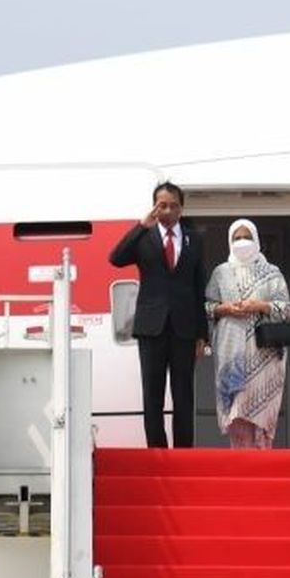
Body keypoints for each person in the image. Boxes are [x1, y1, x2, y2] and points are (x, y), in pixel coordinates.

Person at [108, 181, 208, 448]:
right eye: (162, 205)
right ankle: (156, 451)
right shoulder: (144, 238)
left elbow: (200, 287)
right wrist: (142, 225)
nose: (168, 210)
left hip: (184, 328)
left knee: (183, 393)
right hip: (151, 326)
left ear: (181, 209)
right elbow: (115, 258)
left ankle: (184, 452)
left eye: (173, 206)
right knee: (152, 393)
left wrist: (202, 334)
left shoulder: (193, 238)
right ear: (154, 207)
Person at [205, 219, 290, 449]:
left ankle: (261, 467)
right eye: (237, 238)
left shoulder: (272, 272)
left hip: (264, 356)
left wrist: (261, 306)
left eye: (246, 237)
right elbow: (205, 307)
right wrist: (224, 309)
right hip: (231, 355)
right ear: (229, 241)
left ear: (256, 240)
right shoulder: (220, 273)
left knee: (261, 417)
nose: (242, 242)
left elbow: (288, 309)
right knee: (237, 413)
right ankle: (241, 467)